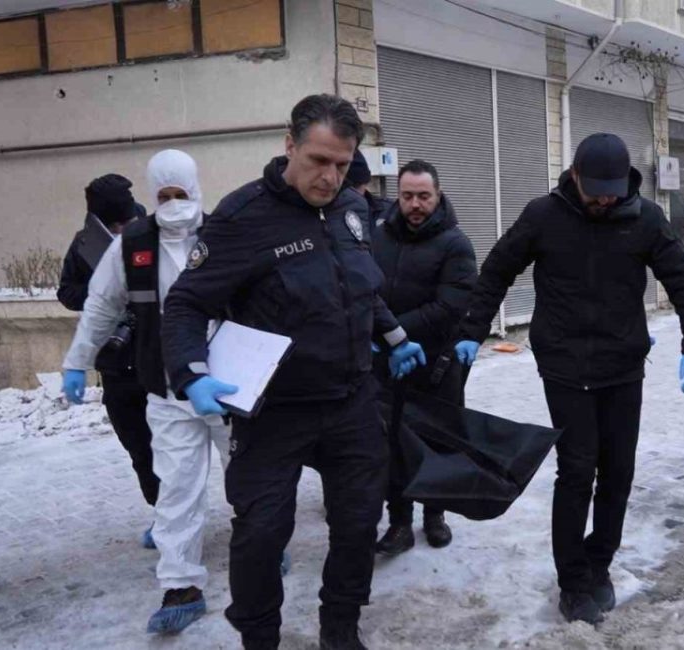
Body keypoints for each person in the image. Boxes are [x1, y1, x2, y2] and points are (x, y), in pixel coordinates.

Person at [160, 94, 426, 650]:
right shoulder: (242, 218)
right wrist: (192, 373)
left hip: (350, 399)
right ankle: (259, 638)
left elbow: (358, 285)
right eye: (318, 160)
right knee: (261, 533)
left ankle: (341, 630)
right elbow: (186, 303)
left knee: (357, 524)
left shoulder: (354, 212)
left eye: (342, 163)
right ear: (290, 146)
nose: (330, 176)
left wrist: (396, 337)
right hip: (275, 410)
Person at [453, 133, 684, 625]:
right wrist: (472, 331)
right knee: (577, 472)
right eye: (595, 190)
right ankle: (572, 582)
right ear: (574, 176)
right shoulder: (543, 216)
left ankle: (599, 563)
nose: (603, 200)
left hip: (622, 366)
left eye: (611, 192)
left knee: (618, 471)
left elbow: (683, 281)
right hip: (565, 367)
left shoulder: (644, 219)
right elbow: (496, 271)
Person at [61, 151, 231, 635]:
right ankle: (181, 585)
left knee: (248, 475)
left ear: (197, 189)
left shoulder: (225, 235)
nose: (174, 203)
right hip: (166, 388)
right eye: (164, 196)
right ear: (151, 196)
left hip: (228, 386)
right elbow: (99, 305)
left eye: (182, 194)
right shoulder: (132, 243)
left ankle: (262, 545)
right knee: (176, 489)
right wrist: (77, 360)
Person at [371, 159, 477, 556]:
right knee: (392, 443)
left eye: (423, 196)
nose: (415, 204)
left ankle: (436, 515)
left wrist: (390, 330)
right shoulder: (378, 236)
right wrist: (383, 339)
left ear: (438, 195)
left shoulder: (455, 243)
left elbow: (450, 307)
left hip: (436, 365)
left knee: (437, 441)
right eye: (407, 196)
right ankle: (399, 522)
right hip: (388, 364)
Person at [57, 174, 161, 528]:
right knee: (139, 449)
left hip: (157, 358)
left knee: (177, 448)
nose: (123, 228)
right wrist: (104, 293)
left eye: (127, 221)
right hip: (116, 363)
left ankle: (180, 518)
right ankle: (162, 513)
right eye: (115, 224)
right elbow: (67, 292)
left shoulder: (153, 233)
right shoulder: (85, 245)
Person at [345, 148, 392, 228]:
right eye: (349, 188)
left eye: (357, 186)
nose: (354, 195)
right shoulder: (330, 214)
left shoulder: (389, 211)